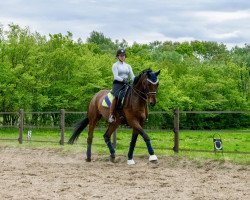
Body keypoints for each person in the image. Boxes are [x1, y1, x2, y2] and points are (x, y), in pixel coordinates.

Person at [108, 48, 135, 123]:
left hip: (126, 83)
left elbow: (132, 76)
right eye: (121, 55)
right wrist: (123, 80)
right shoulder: (115, 65)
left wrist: (137, 79)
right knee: (117, 96)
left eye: (124, 55)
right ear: (118, 56)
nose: (122, 57)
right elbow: (115, 76)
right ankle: (111, 115)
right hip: (118, 84)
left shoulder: (128, 66)